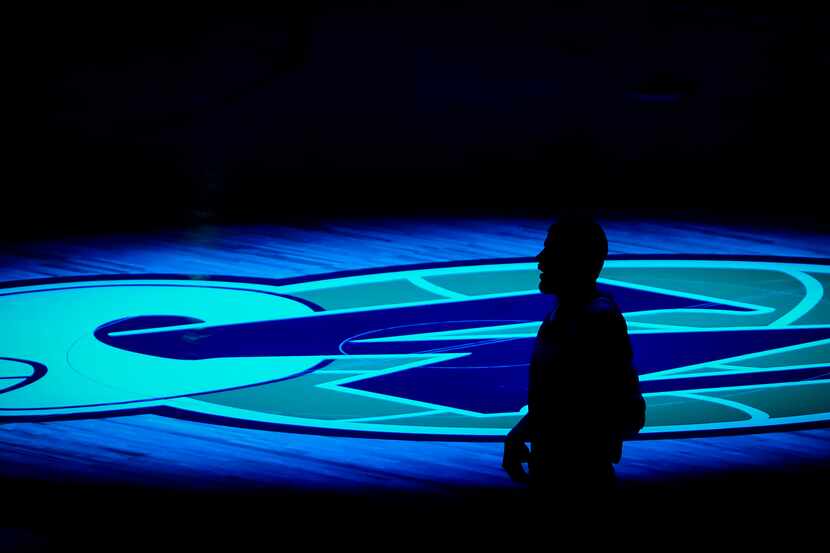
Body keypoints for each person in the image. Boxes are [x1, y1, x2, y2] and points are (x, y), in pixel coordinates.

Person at [502, 216, 645, 504]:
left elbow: (627, 410)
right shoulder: (561, 317)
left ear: (574, 260)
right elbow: (558, 402)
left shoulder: (596, 322)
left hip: (578, 482)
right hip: (553, 472)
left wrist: (577, 448)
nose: (540, 260)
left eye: (550, 251)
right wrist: (519, 434)